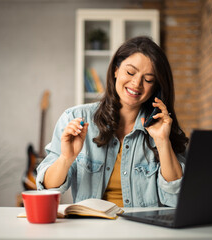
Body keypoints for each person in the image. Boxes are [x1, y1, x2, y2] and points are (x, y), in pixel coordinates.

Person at [36, 36, 189, 207]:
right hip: (93, 230)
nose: (136, 83)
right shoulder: (76, 118)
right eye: (130, 72)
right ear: (116, 70)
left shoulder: (164, 128)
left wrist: (162, 142)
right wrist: (65, 158)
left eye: (148, 80)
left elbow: (178, 198)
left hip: (144, 231)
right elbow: (48, 189)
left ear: (156, 87)